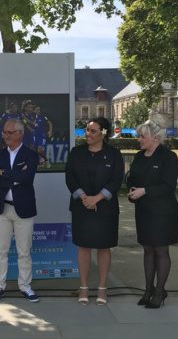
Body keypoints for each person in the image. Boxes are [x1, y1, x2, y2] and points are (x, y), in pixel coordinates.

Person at [65, 117, 123, 306]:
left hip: (105, 208)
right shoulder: (76, 152)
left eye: (92, 131)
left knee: (103, 247)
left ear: (103, 134)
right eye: (86, 130)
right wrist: (84, 198)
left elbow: (116, 180)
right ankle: (83, 287)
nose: (87, 134)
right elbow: (70, 177)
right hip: (82, 206)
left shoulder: (114, 154)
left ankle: (102, 288)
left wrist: (97, 198)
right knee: (83, 246)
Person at [127, 114, 178, 308]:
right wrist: (132, 189)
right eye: (138, 136)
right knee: (147, 249)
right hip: (143, 210)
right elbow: (132, 176)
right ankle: (148, 290)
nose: (139, 139)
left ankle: (159, 292)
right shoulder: (140, 156)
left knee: (160, 250)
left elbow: (169, 185)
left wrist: (145, 191)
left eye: (142, 136)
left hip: (162, 212)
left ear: (155, 138)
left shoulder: (168, 156)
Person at [0, 118, 40, 304]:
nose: (6, 136)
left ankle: (25, 287)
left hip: (23, 209)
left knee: (24, 251)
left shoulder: (31, 155)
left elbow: (28, 177)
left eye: (9, 133)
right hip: (2, 209)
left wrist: (5, 173)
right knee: (0, 250)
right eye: (4, 132)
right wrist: (15, 177)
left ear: (20, 133)